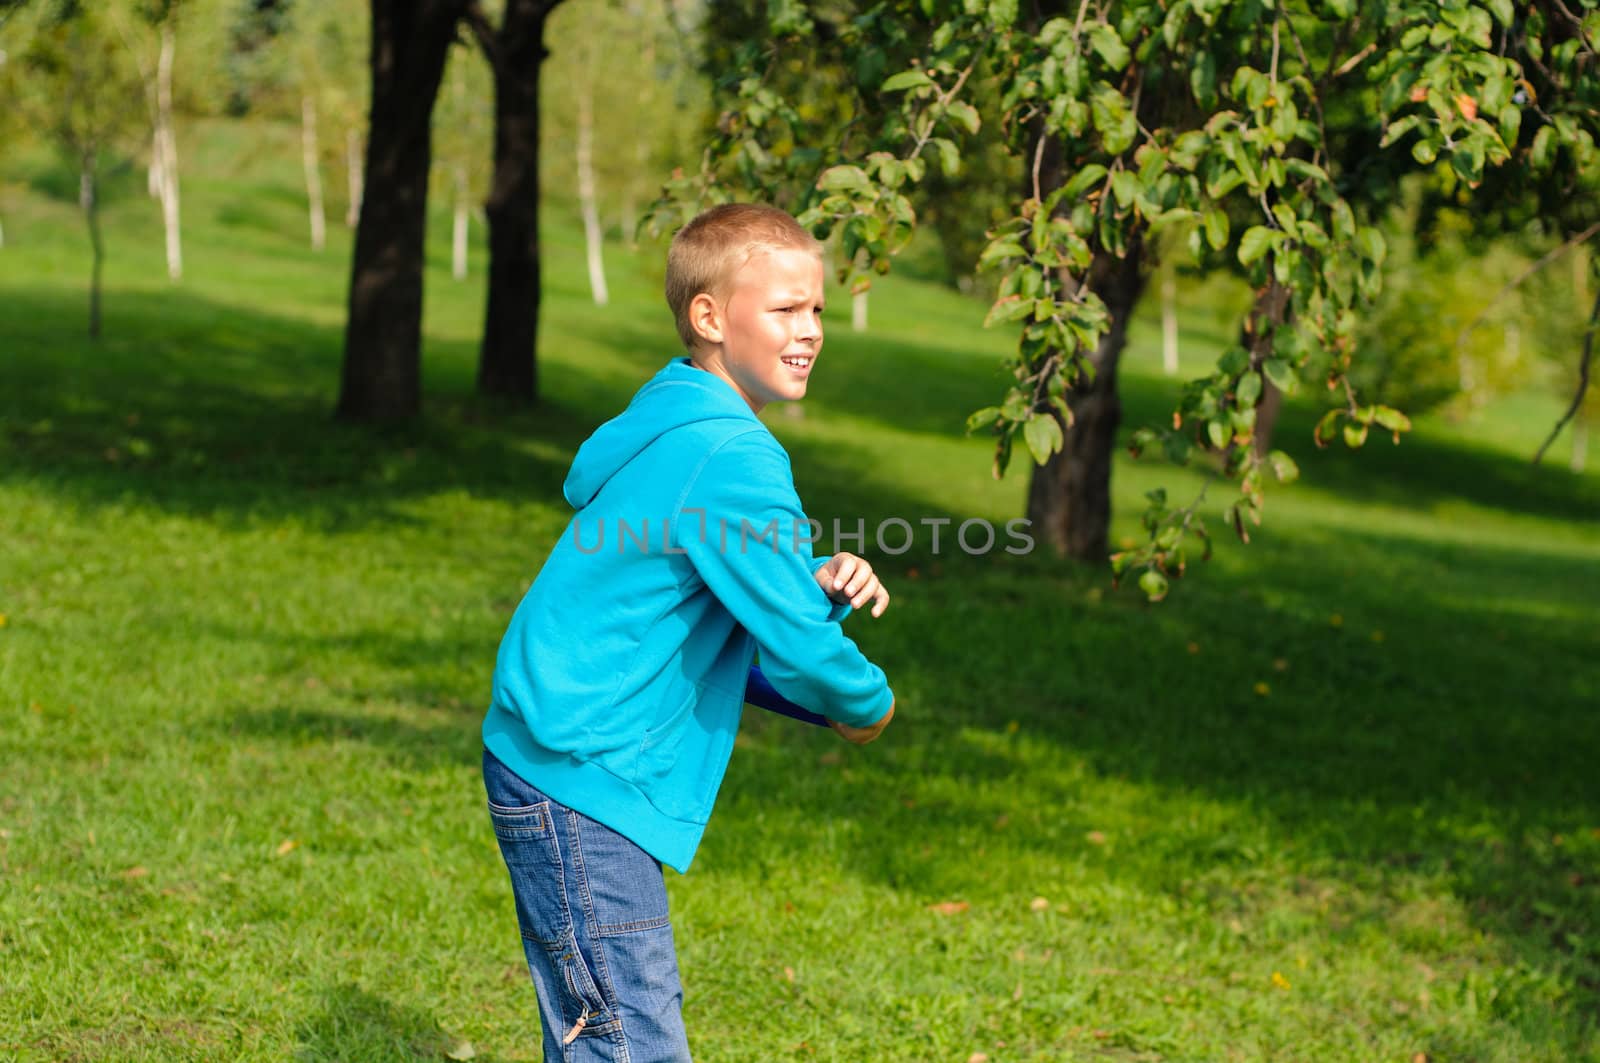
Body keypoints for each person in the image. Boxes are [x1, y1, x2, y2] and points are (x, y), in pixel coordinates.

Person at [482, 202, 897, 1062]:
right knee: (634, 1042)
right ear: (710, 317)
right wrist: (868, 705)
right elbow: (803, 651)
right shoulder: (732, 454)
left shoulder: (672, 414)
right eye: (785, 309)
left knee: (601, 1037)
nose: (811, 329)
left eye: (816, 308)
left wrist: (807, 584)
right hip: (584, 774)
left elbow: (700, 600)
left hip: (555, 757)